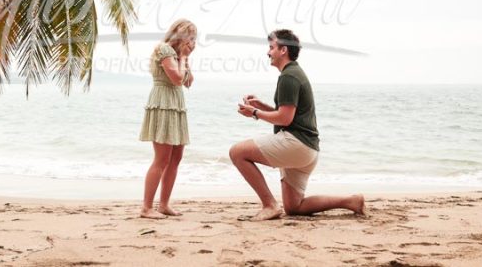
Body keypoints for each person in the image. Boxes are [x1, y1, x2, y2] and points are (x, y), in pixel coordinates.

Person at [230, 29, 365, 221]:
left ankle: (270, 205)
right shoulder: (294, 73)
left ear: (283, 50)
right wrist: (260, 106)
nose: (268, 52)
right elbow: (289, 115)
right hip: (308, 149)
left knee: (237, 152)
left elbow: (284, 119)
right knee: (294, 207)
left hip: (297, 144)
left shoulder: (289, 77)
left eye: (271, 47)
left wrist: (254, 113)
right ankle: (352, 201)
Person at [139, 19, 197, 219]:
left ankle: (164, 204)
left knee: (175, 158)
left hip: (176, 104)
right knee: (162, 158)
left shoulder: (177, 55)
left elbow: (188, 81)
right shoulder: (164, 50)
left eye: (194, 39)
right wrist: (183, 57)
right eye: (189, 37)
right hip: (163, 103)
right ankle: (146, 207)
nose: (192, 42)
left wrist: (185, 58)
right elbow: (177, 79)